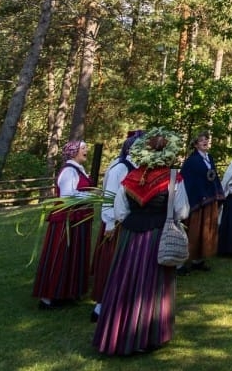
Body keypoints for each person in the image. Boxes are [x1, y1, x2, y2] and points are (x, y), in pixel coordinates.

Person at [92, 128, 188, 356]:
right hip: (155, 236)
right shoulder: (174, 178)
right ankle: (147, 336)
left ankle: (117, 332)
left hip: (130, 237)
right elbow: (182, 211)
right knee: (151, 285)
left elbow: (120, 211)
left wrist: (134, 222)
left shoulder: (130, 177)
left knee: (125, 280)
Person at [33, 139, 94, 310]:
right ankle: (49, 297)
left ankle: (67, 292)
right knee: (61, 255)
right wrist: (91, 196)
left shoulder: (79, 170)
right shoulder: (69, 171)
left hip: (77, 218)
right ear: (73, 151)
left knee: (74, 255)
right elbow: (68, 196)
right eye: (83, 148)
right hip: (67, 220)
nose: (86, 150)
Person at [91, 130, 144, 322]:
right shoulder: (120, 168)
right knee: (111, 263)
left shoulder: (136, 167)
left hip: (128, 221)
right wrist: (110, 224)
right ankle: (100, 307)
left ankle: (119, 302)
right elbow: (109, 198)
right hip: (116, 223)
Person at [178, 132, 224, 274]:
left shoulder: (209, 158)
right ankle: (187, 259)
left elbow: (212, 176)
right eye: (201, 140)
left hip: (210, 199)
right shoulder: (192, 160)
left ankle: (200, 259)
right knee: (195, 229)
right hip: (197, 200)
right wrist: (199, 195)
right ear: (196, 144)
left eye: (207, 140)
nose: (205, 142)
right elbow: (188, 180)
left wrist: (217, 193)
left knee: (207, 229)